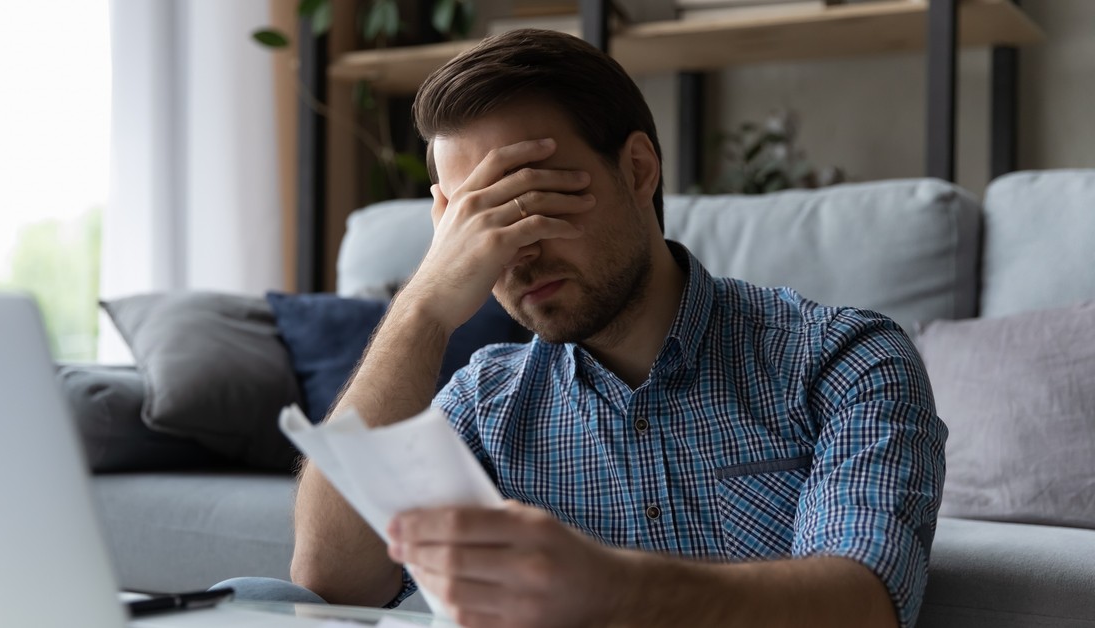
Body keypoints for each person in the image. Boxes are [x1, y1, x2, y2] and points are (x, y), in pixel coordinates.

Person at [234, 28, 946, 628]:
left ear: (637, 169)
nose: (515, 252)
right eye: (477, 224)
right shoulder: (487, 402)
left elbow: (864, 604)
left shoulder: (841, 361)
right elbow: (331, 581)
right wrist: (424, 302)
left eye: (533, 201)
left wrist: (611, 589)